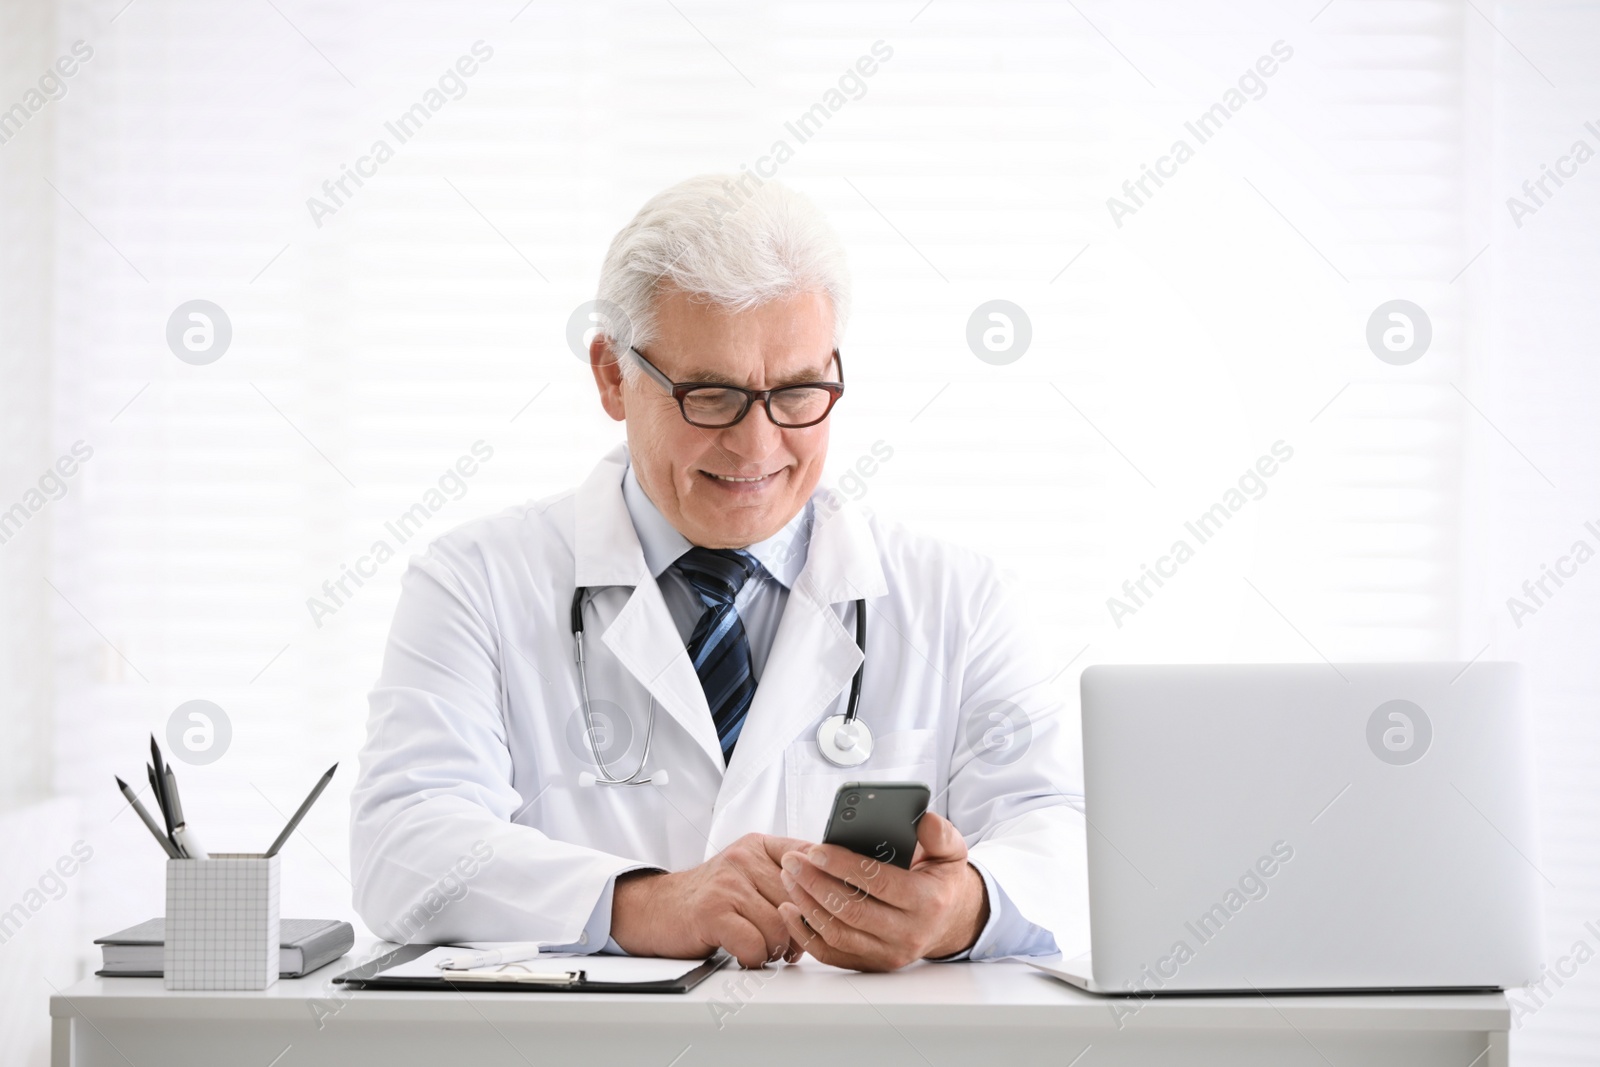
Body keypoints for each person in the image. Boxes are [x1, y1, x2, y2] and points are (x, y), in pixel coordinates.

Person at [349, 175, 1085, 971]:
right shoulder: (476, 582)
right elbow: (404, 842)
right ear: (611, 376)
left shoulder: (961, 598)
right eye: (712, 396)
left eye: (799, 392)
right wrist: (640, 903)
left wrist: (962, 907)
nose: (758, 447)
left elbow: (1064, 834)